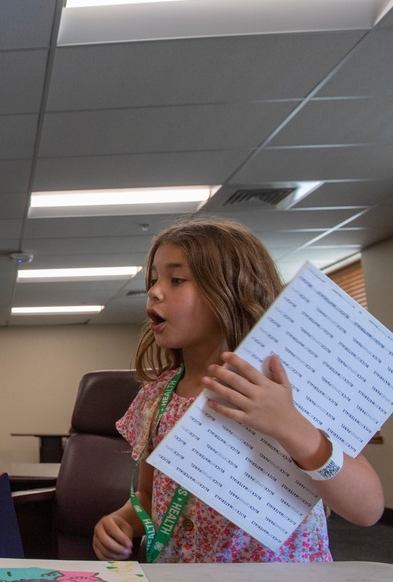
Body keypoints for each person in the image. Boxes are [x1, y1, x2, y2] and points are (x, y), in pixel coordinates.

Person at [92, 218, 384, 563]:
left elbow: (368, 509)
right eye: (154, 279)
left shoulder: (281, 385)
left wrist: (290, 425)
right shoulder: (156, 400)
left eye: (176, 280)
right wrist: (121, 522)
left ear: (231, 291)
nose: (155, 291)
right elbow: (149, 494)